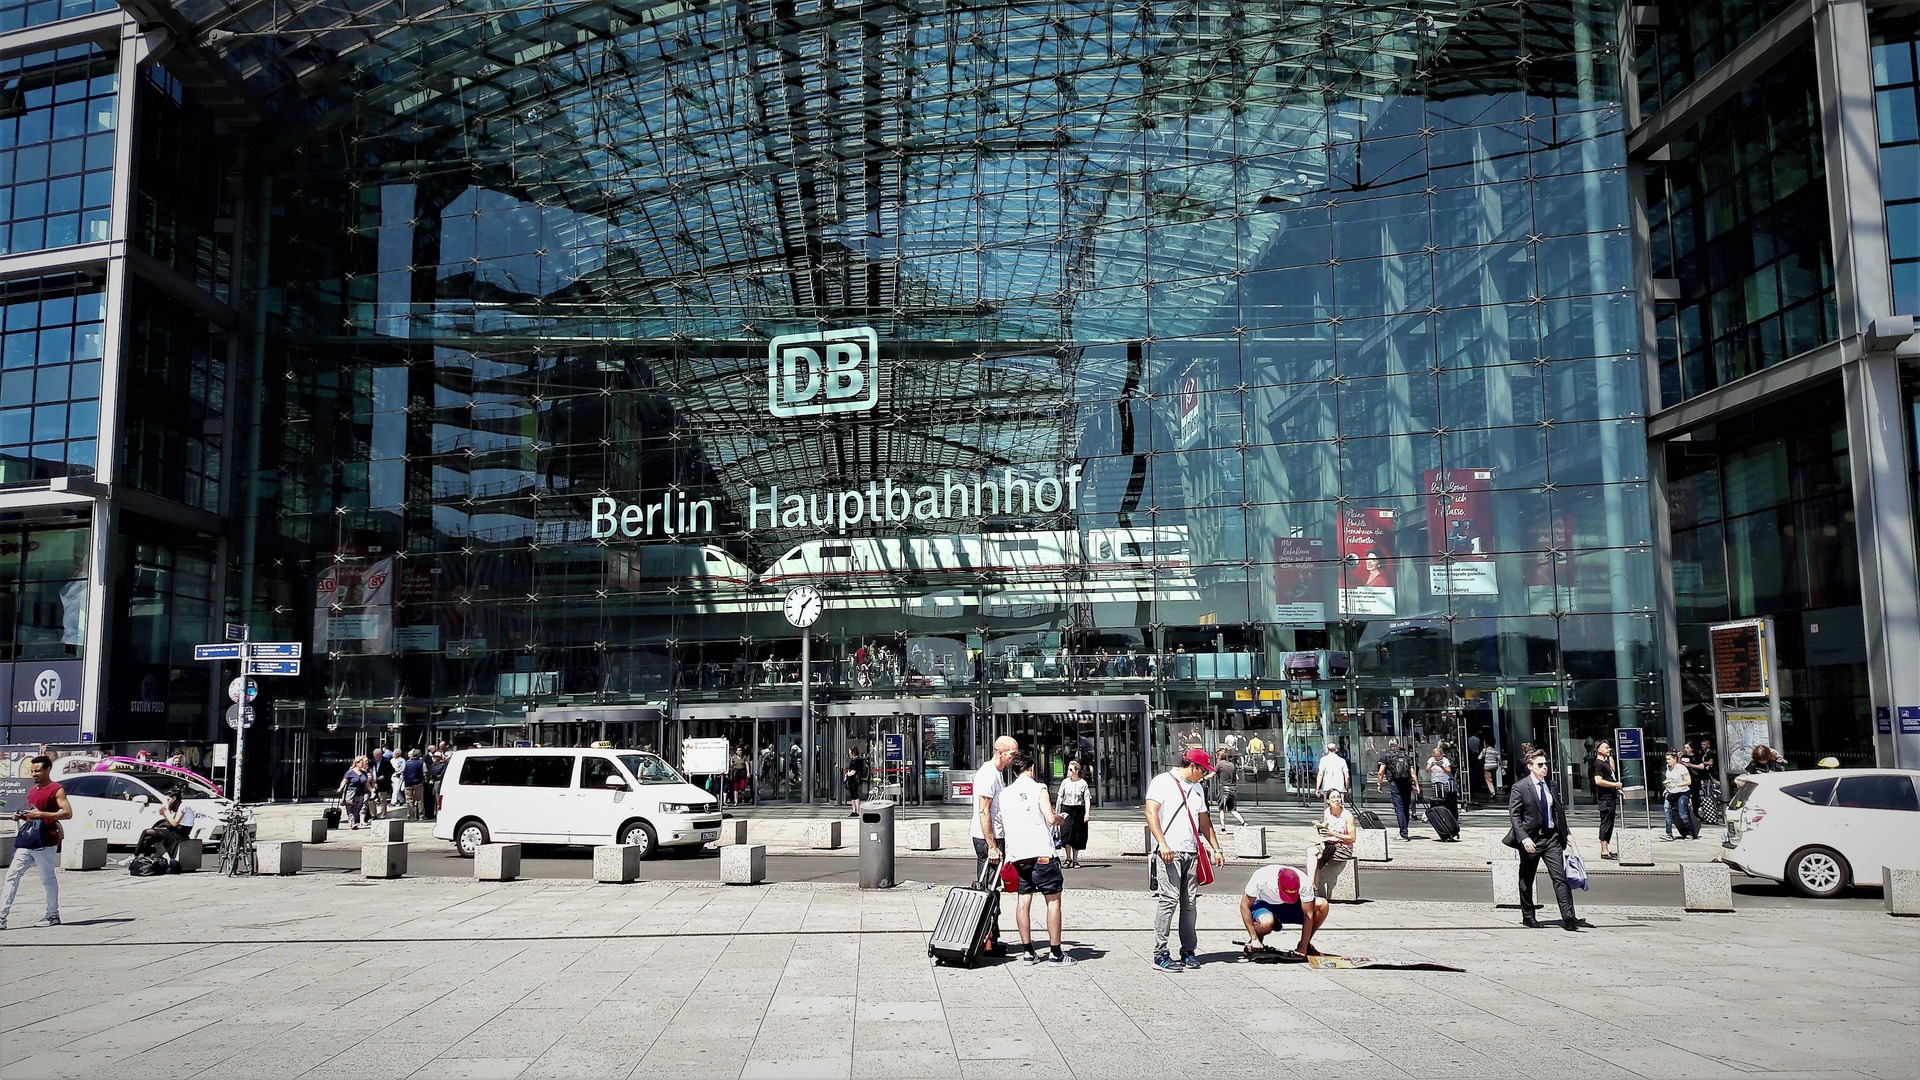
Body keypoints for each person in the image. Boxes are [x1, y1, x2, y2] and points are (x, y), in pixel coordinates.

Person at [1143, 747, 1224, 971]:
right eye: (1203, 770)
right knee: (1168, 900)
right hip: (1170, 850)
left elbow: (1204, 821)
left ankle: (1188, 950)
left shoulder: (1197, 788)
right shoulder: (1163, 781)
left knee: (1190, 904)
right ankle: (1160, 952)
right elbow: (1151, 812)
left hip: (1191, 851)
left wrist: (1217, 848)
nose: (1204, 775)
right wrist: (1162, 843)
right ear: (1192, 766)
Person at [1504, 751, 1590, 932]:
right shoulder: (1520, 787)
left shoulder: (1551, 785)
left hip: (1551, 838)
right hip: (1531, 839)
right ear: (1530, 767)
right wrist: (1524, 838)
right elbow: (1515, 816)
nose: (1544, 768)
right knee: (1527, 879)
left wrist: (1566, 833)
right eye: (1540, 765)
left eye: (1545, 764)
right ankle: (1528, 916)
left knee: (1560, 878)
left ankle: (1569, 917)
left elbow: (1558, 812)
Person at [1000, 752, 1070, 963]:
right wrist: (1061, 819)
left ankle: (1028, 951)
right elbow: (1049, 817)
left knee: (1023, 899)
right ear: (1030, 769)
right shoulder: (1039, 788)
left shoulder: (1004, 794)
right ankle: (1056, 952)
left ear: (1014, 772)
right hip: (1041, 853)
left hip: (1018, 854)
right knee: (1053, 900)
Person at [2, 755, 72, 929]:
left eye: (37, 771)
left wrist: (42, 814)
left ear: (48, 769)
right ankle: (2, 917)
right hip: (28, 839)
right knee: (11, 875)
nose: (34, 774)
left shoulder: (57, 789)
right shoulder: (33, 791)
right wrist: (21, 816)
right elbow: (32, 813)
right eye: (32, 771)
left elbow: (67, 813)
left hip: (46, 840)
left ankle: (52, 914)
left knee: (47, 877)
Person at [971, 735, 1018, 955]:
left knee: (994, 889)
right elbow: (984, 811)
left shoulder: (996, 774)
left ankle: (992, 937)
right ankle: (984, 940)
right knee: (988, 889)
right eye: (1012, 754)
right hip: (987, 839)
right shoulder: (988, 774)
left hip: (995, 837)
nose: (1014, 758)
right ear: (1000, 752)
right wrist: (992, 845)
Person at [1238, 863, 1327, 960]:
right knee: (1266, 922)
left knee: (1322, 904)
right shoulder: (1262, 876)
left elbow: (1308, 914)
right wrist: (1254, 937)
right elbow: (1244, 905)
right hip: (1264, 904)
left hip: (1290, 907)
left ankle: (1306, 944)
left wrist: (1303, 947)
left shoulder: (1304, 881)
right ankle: (1256, 940)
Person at [1305, 788, 1357, 889]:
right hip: (1329, 844)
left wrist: (1334, 834)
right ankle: (1312, 886)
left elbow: (1352, 838)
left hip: (1343, 847)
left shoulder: (1347, 815)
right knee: (1310, 851)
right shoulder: (1327, 812)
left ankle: (1310, 888)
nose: (1337, 800)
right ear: (1328, 801)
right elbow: (1326, 833)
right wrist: (1319, 826)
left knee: (1318, 858)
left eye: (1338, 797)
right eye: (1333, 797)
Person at [135, 792, 195, 868]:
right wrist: (164, 814)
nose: (167, 802)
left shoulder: (184, 806)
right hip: (175, 830)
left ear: (174, 798)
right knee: (147, 839)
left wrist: (165, 812)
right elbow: (170, 822)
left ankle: (134, 856)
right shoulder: (179, 806)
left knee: (146, 832)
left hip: (180, 832)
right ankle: (147, 861)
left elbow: (174, 823)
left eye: (168, 800)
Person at [1375, 739, 1417, 841]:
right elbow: (1412, 772)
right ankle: (1404, 831)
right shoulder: (1405, 755)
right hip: (1406, 783)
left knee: (1399, 809)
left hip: (1395, 783)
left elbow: (1381, 772)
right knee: (1406, 807)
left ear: (1390, 745)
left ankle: (1403, 833)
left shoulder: (1386, 755)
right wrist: (1416, 785)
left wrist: (1379, 784)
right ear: (1398, 745)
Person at [1056, 760, 1091, 868]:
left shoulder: (1083, 783)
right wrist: (1057, 811)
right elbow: (1060, 797)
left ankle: (1075, 859)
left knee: (1077, 833)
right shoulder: (1065, 782)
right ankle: (1068, 858)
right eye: (1068, 769)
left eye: (1071, 769)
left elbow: (1087, 799)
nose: (1069, 772)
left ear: (1076, 770)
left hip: (1078, 809)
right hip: (1067, 808)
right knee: (1066, 832)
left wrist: (1087, 813)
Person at [1592, 740, 1623, 860]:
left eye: (1609, 748)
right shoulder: (1598, 764)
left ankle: (1607, 849)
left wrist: (1617, 789)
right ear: (1599, 750)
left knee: (1609, 823)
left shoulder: (1606, 763)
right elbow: (1598, 781)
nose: (1608, 749)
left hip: (1610, 797)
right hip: (1605, 799)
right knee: (1606, 823)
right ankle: (1604, 851)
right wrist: (1615, 785)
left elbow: (1611, 777)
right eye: (1606, 748)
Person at [1662, 751, 1696, 840]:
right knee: (1667, 810)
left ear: (1675, 759)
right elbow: (1668, 779)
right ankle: (1668, 833)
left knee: (1682, 814)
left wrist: (1676, 785)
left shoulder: (1681, 768)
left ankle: (1688, 833)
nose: (1667, 761)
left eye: (1669, 759)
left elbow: (1688, 781)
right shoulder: (1668, 768)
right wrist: (1666, 788)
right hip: (1671, 792)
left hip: (1682, 792)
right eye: (1666, 759)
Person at [1426, 744, 1457, 838]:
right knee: (1436, 798)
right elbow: (1427, 770)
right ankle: (1437, 813)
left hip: (1444, 781)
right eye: (1435, 756)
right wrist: (1432, 765)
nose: (1437, 758)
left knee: (1444, 797)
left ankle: (1446, 813)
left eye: (1438, 756)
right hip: (1435, 780)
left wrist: (1442, 766)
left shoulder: (1445, 760)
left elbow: (1448, 771)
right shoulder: (1431, 760)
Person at [339, 755, 372, 829]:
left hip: (360, 793)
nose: (363, 764)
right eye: (361, 763)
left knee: (357, 808)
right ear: (357, 763)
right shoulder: (350, 772)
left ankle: (355, 822)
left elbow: (366, 783)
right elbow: (344, 781)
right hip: (351, 792)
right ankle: (352, 823)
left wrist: (371, 790)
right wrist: (340, 788)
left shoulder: (364, 773)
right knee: (350, 808)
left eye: (363, 763)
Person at [1214, 750, 1247, 826]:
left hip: (1223, 789)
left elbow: (1212, 774)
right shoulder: (1232, 765)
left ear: (1218, 757)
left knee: (1222, 809)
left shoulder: (1219, 765)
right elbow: (1237, 778)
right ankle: (1243, 822)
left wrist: (1203, 778)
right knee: (1232, 809)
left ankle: (1223, 828)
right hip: (1232, 789)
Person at [402, 749, 428, 822]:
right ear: (419, 755)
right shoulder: (422, 763)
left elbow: (402, 772)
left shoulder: (406, 763)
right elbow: (424, 773)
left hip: (408, 783)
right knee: (419, 800)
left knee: (409, 800)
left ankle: (412, 816)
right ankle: (421, 816)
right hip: (418, 783)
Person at [843, 746, 867, 817]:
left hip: (853, 780)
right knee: (854, 795)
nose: (849, 752)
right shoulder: (859, 760)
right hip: (856, 779)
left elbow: (852, 772)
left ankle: (856, 810)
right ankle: (856, 811)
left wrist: (847, 775)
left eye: (850, 751)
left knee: (854, 795)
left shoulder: (855, 761)